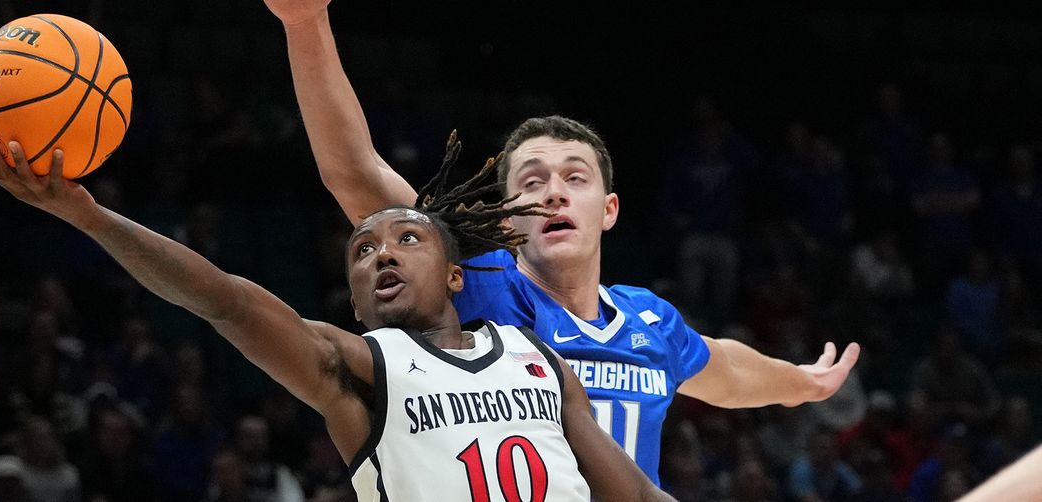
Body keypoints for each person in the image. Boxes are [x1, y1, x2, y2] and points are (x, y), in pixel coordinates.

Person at [264, 0, 861, 484]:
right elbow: (359, 176)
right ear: (507, 217)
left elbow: (724, 368)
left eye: (574, 179)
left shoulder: (649, 322)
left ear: (608, 210)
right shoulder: (485, 287)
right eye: (531, 182)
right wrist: (305, 22)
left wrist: (799, 384)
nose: (553, 194)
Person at [0, 137, 672, 501]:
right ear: (357, 304)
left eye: (406, 239)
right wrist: (88, 216)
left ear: (457, 275)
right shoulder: (362, 369)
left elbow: (633, 493)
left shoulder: (534, 356)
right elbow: (223, 299)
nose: (381, 255)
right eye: (361, 252)